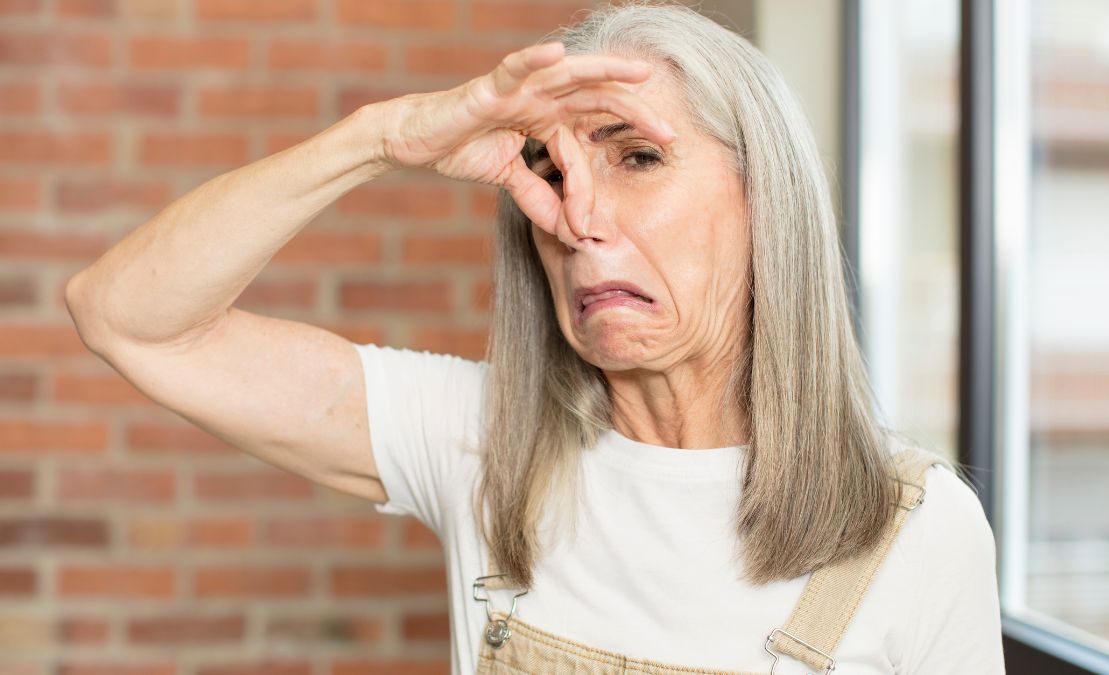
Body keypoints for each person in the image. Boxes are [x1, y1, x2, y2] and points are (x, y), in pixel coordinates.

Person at [64, 2, 1004, 673]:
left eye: (637, 157)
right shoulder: (480, 439)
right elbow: (128, 316)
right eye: (550, 171)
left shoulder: (916, 531)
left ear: (769, 201)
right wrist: (384, 137)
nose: (577, 217)